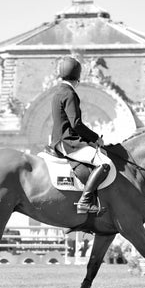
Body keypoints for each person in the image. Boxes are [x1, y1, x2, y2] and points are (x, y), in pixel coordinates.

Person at [50, 56, 110, 215]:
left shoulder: (57, 93)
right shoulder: (70, 93)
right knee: (104, 163)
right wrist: (95, 138)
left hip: (57, 140)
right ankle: (84, 202)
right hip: (68, 142)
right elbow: (76, 123)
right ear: (77, 77)